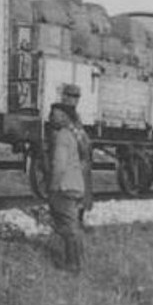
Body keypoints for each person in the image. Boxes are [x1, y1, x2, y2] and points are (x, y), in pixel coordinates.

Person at [48, 102, 87, 272]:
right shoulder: (73, 134)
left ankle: (72, 265)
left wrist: (53, 187)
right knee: (72, 226)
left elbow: (59, 165)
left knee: (68, 228)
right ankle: (77, 261)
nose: (51, 117)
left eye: (54, 114)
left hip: (66, 186)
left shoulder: (62, 136)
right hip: (77, 185)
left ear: (64, 117)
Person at [60, 83, 95, 228]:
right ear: (65, 97)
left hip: (79, 157)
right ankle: (68, 221)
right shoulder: (60, 113)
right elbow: (69, 133)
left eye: (76, 97)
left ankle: (79, 218)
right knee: (69, 191)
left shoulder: (75, 115)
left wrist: (86, 141)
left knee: (83, 188)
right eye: (71, 96)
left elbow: (81, 132)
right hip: (67, 158)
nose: (74, 100)